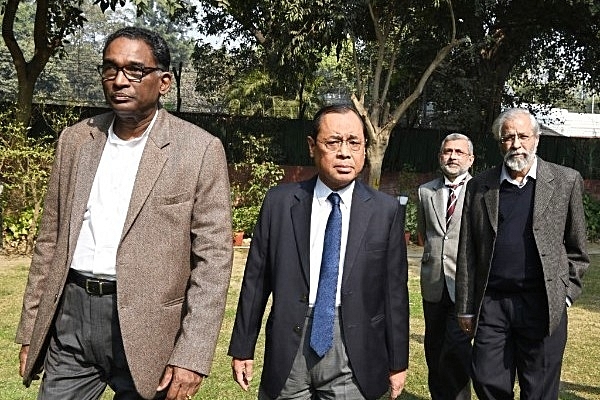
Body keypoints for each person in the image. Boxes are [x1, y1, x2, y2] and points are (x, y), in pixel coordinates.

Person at [15, 26, 233, 400]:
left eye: (135, 70)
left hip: (151, 328)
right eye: (110, 68)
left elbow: (213, 260)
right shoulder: (76, 140)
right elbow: (49, 241)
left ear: (163, 81)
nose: (119, 80)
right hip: (73, 315)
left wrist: (192, 355)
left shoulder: (199, 150)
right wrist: (31, 329)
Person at [228, 104, 409, 400]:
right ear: (313, 146)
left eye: (354, 142)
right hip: (290, 343)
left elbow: (395, 293)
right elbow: (256, 281)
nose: (344, 153)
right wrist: (243, 347)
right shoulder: (280, 203)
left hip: (354, 345)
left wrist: (397, 362)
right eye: (334, 142)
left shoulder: (384, 210)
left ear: (364, 149)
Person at [455, 108, 590, 399]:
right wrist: (466, 306)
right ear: (499, 142)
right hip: (492, 303)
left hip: (542, 304)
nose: (516, 143)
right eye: (508, 137)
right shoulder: (480, 186)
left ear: (536, 139)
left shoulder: (566, 181)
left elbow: (578, 250)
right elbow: (467, 250)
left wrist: (566, 294)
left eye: (523, 136)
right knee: (487, 379)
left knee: (540, 387)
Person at [416, 133, 474, 400]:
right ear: (440, 156)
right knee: (434, 347)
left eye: (459, 152)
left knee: (457, 349)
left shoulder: (481, 191)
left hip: (465, 285)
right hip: (433, 284)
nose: (452, 156)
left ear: (470, 159)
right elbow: (424, 232)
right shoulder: (425, 191)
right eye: (447, 151)